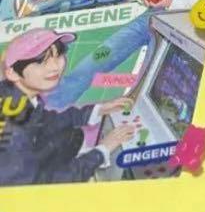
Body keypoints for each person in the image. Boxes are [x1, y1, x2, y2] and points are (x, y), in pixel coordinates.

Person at [0, 30, 137, 185]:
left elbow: (44, 120)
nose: (55, 67)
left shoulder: (12, 93)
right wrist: (102, 151)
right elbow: (36, 186)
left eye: (58, 55)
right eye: (41, 62)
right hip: (18, 191)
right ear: (12, 73)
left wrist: (98, 110)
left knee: (72, 135)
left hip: (21, 168)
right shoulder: (13, 133)